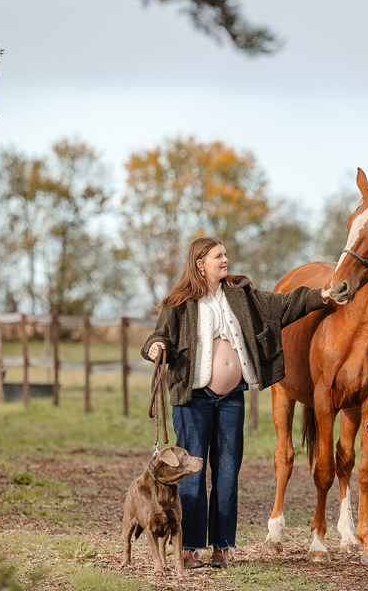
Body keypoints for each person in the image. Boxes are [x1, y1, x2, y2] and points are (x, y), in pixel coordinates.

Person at [142, 237, 333, 568]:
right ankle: (188, 547)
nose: (225, 260)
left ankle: (223, 546)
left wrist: (322, 296)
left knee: (228, 471)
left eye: (225, 254)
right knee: (191, 472)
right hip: (193, 399)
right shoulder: (180, 301)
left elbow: (284, 305)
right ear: (200, 263)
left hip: (232, 398)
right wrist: (156, 348)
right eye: (218, 256)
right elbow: (160, 336)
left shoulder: (241, 294)